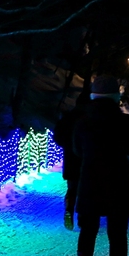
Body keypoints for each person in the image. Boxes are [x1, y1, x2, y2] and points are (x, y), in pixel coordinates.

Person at [72, 75, 129, 256]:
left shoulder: (82, 121)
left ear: (93, 96)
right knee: (118, 234)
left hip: (90, 182)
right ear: (115, 96)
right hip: (118, 182)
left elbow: (76, 151)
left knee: (88, 230)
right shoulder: (124, 122)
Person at [54, 89, 90, 230]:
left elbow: (57, 136)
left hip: (71, 159)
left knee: (72, 188)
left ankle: (69, 209)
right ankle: (83, 217)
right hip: (87, 159)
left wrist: (67, 145)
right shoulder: (89, 119)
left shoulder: (68, 118)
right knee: (86, 189)